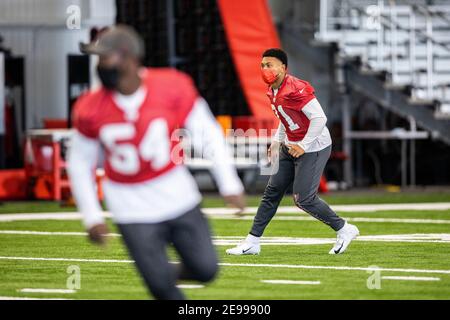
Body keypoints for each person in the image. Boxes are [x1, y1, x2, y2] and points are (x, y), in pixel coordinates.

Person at [67, 25, 245, 300]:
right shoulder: (90, 107)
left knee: (206, 268)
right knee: (163, 290)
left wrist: (229, 184)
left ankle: (161, 270)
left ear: (129, 58)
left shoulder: (171, 86)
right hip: (129, 205)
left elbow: (207, 132)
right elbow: (80, 163)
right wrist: (91, 217)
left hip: (176, 194)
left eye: (105, 57)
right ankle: (158, 274)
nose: (100, 65)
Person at [226, 48, 359, 256]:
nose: (265, 69)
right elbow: (285, 118)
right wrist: (277, 141)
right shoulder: (272, 90)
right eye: (262, 65)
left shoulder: (297, 88)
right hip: (291, 144)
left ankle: (344, 228)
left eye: (269, 64)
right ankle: (252, 242)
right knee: (272, 192)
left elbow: (320, 119)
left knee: (303, 198)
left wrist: (304, 145)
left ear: (283, 68)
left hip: (314, 146)